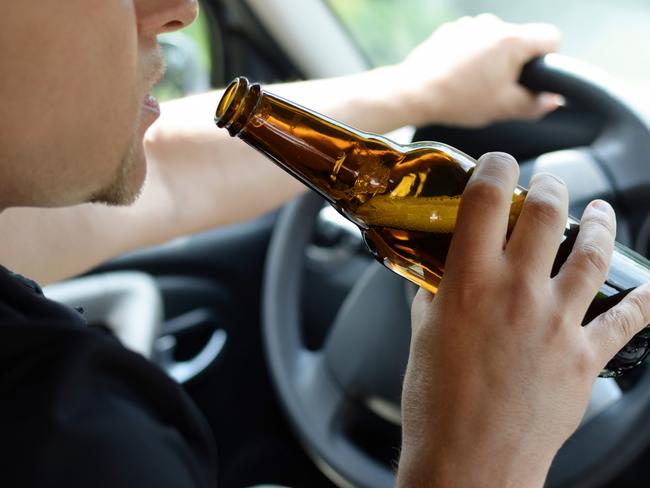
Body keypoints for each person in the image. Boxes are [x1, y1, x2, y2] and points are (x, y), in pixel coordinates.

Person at [1, 1, 648, 487]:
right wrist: (479, 453)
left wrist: (424, 88)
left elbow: (169, 177)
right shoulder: (69, 439)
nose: (178, 11)